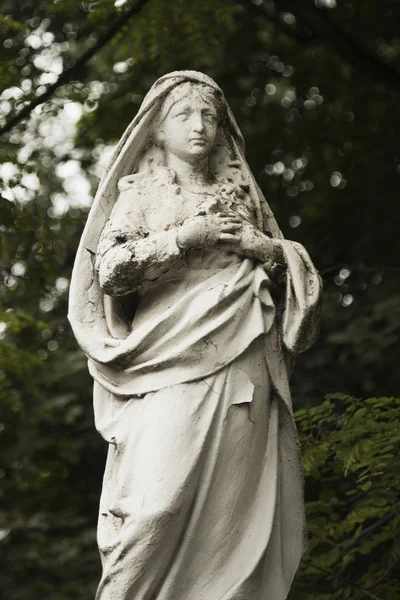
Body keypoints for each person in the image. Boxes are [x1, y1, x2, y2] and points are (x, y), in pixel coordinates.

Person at [68, 70, 322, 600]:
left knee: (234, 511)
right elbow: (110, 270)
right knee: (155, 504)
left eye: (208, 114)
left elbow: (288, 271)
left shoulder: (241, 195)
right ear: (157, 130)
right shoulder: (140, 194)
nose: (199, 125)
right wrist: (186, 238)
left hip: (243, 355)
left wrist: (264, 247)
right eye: (183, 115)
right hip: (165, 357)